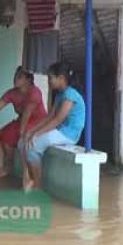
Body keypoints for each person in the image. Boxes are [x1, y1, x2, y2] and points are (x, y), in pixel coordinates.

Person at [19, 62, 86, 191]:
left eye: (50, 78)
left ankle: (37, 186)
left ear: (61, 78)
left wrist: (36, 134)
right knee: (23, 142)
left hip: (69, 134)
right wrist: (31, 131)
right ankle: (28, 178)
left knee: (33, 146)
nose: (48, 81)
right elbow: (49, 117)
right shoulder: (60, 94)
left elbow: (57, 120)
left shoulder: (70, 94)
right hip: (60, 131)